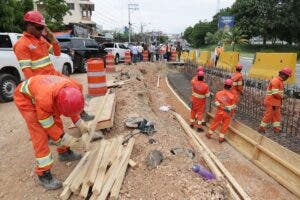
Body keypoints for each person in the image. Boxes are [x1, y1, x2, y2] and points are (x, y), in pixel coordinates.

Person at [14, 75, 90, 190]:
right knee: (39, 134)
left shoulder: (74, 88)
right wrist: (65, 139)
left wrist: (79, 122)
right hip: (25, 99)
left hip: (45, 92)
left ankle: (64, 153)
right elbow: (47, 125)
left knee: (58, 122)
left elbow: (71, 106)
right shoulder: (45, 100)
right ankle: (43, 174)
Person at [14, 10, 63, 79]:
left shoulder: (41, 39)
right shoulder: (21, 44)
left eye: (42, 27)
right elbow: (27, 72)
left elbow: (57, 53)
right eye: (39, 27)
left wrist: (52, 38)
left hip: (52, 76)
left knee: (77, 86)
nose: (41, 30)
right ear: (29, 25)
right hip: (41, 81)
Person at [259, 67, 293, 134]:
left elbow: (277, 92)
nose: (287, 78)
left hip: (275, 103)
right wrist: (283, 97)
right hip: (272, 102)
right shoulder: (276, 81)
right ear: (283, 75)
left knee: (277, 117)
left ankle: (276, 129)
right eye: (287, 77)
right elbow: (275, 93)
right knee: (268, 116)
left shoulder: (279, 81)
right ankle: (261, 129)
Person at [206, 79, 237, 143]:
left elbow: (216, 103)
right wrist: (232, 114)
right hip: (228, 114)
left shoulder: (218, 93)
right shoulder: (233, 96)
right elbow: (233, 107)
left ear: (224, 85)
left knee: (215, 123)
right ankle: (221, 139)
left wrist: (221, 107)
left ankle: (209, 134)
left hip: (220, 112)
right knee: (225, 126)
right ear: (231, 86)